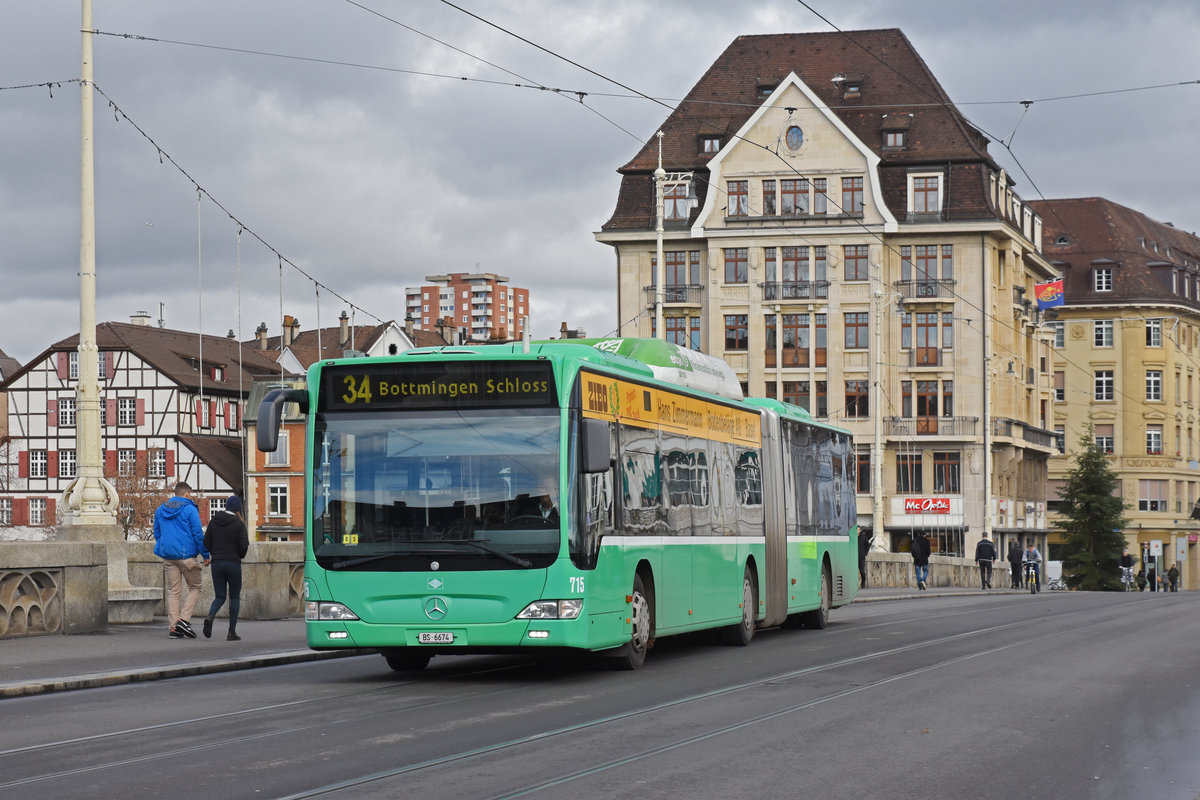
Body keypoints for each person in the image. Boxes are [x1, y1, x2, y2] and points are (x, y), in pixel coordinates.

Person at [153, 481, 211, 639]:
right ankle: (183, 620)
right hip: (187, 556)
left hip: (168, 556)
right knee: (195, 587)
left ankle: (173, 629)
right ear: (186, 494)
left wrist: (165, 546)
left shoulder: (160, 510)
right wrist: (205, 555)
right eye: (190, 494)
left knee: (173, 592)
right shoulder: (190, 509)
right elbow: (198, 535)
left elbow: (157, 533)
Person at [203, 495, 250, 641]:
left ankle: (210, 616)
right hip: (233, 563)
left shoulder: (214, 521)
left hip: (217, 563)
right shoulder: (239, 524)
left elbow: (206, 541)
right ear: (238, 510)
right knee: (234, 597)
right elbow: (244, 546)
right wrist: (238, 555)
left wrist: (215, 553)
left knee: (220, 596)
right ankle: (231, 632)